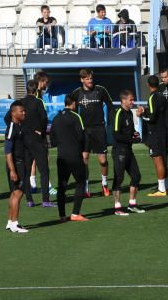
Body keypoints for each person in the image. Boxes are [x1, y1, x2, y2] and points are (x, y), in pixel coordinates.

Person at [51, 92, 89, 222]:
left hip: (61, 157)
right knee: (81, 182)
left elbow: (53, 139)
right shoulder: (76, 117)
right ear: (73, 103)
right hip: (74, 156)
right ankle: (75, 213)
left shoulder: (56, 118)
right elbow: (82, 136)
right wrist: (84, 151)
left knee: (61, 186)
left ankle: (62, 215)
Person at [75, 68, 113, 198]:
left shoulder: (100, 90)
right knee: (84, 159)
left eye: (91, 78)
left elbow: (111, 106)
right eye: (87, 79)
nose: (90, 81)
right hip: (84, 130)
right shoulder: (77, 93)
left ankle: (104, 184)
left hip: (99, 130)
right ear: (82, 80)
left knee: (103, 160)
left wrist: (112, 124)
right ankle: (86, 187)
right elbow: (70, 109)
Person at [20, 79, 53, 208]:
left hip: (24, 140)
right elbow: (44, 118)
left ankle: (29, 200)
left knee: (26, 171)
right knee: (44, 170)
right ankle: (45, 200)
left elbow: (8, 117)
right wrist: (41, 131)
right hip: (37, 140)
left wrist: (20, 130)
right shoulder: (39, 102)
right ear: (36, 90)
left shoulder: (20, 103)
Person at [111, 90, 145, 215]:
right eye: (131, 99)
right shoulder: (118, 113)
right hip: (119, 150)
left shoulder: (130, 114)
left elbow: (129, 131)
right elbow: (116, 135)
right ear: (123, 100)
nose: (133, 102)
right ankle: (117, 208)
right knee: (118, 178)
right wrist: (132, 139)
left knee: (136, 176)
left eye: (133, 99)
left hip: (128, 150)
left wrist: (135, 134)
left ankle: (132, 204)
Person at [138, 75, 168, 196]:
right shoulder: (162, 96)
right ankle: (167, 186)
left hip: (155, 133)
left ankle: (161, 189)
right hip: (163, 131)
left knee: (157, 160)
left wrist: (141, 115)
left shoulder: (153, 97)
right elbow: (157, 112)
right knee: (163, 159)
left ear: (148, 85)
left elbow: (152, 118)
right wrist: (146, 111)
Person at [4, 100, 30, 233]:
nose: (24, 112)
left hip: (20, 163)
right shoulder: (12, 128)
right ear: (14, 113)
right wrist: (13, 170)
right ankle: (15, 223)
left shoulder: (20, 125)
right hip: (16, 164)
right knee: (18, 193)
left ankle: (10, 222)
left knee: (14, 193)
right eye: (21, 111)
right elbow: (7, 151)